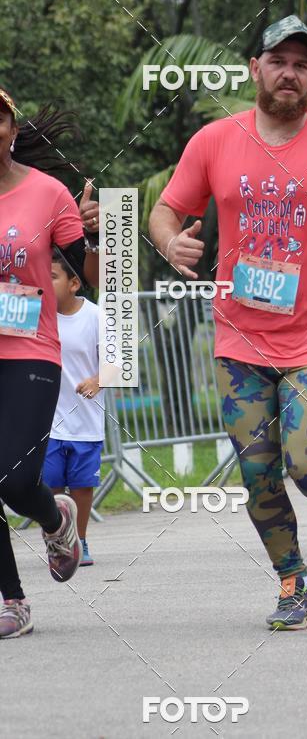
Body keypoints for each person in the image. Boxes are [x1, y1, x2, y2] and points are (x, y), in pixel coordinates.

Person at [149, 15, 307, 630]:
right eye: (277, 61)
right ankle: (295, 586)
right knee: (257, 470)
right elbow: (165, 210)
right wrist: (168, 244)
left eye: (301, 64)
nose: (288, 73)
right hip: (238, 337)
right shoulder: (215, 139)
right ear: (254, 70)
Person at [0, 89, 100, 639]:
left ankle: (56, 517)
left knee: (14, 480)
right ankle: (12, 601)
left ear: (12, 129)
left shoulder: (47, 192)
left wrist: (93, 232)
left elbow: (86, 273)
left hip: (30, 351)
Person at [42, 252, 105, 566]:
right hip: (48, 422)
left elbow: (118, 362)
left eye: (52, 277)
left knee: (81, 486)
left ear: (74, 283)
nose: (44, 283)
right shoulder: (38, 317)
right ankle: (59, 541)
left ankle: (80, 541)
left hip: (86, 421)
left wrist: (97, 379)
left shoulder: (94, 316)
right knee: (51, 484)